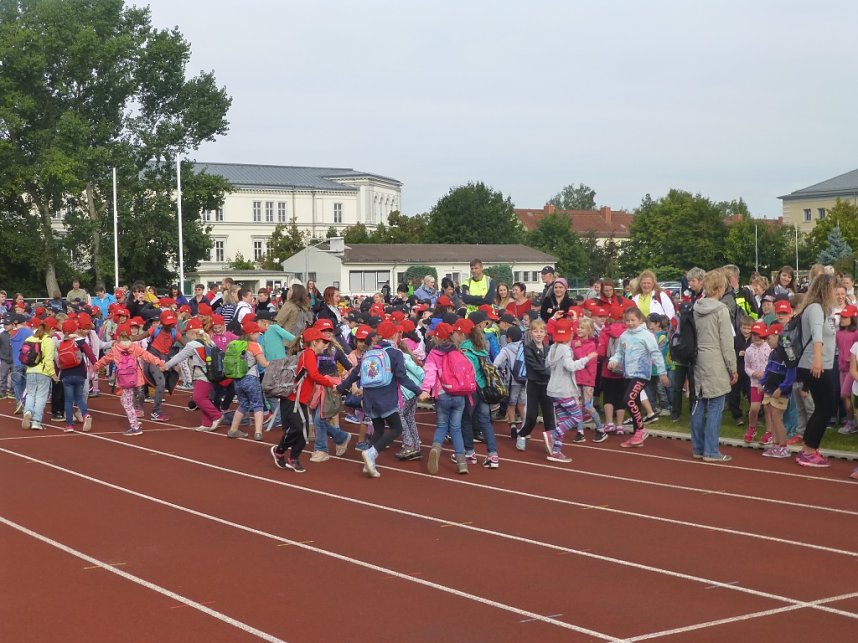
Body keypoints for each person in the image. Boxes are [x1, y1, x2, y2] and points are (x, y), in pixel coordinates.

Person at [338, 321, 422, 478]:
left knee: (379, 429)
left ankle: (369, 460)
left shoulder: (369, 353)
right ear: (394, 335)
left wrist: (340, 388)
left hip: (369, 398)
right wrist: (419, 391)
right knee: (396, 428)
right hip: (386, 398)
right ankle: (371, 454)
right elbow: (402, 378)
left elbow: (356, 373)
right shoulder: (395, 353)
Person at [271, 328, 341, 473]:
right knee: (299, 430)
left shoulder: (310, 355)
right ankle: (285, 453)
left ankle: (286, 454)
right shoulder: (308, 354)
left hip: (297, 400)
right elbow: (314, 375)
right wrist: (332, 384)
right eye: (323, 342)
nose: (326, 345)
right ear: (314, 343)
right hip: (293, 399)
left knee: (301, 430)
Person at [690, 269, 738, 462]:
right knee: (716, 405)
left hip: (698, 359)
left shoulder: (695, 307)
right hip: (715, 359)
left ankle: (698, 447)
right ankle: (711, 450)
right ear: (720, 287)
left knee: (699, 403)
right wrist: (733, 368)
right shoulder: (721, 310)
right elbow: (727, 343)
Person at [608, 307, 669, 448]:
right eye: (627, 320)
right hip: (628, 374)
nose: (630, 323)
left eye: (633, 320)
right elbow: (619, 353)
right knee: (634, 401)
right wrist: (614, 360)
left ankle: (641, 430)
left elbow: (656, 353)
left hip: (642, 374)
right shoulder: (624, 336)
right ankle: (637, 436)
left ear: (640, 320)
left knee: (628, 399)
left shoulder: (647, 335)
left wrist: (662, 372)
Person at [794, 274, 838, 468]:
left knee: (823, 407)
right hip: (816, 364)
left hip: (823, 363)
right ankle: (809, 450)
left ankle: (809, 447)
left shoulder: (823, 309)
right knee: (825, 407)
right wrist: (818, 359)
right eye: (833, 288)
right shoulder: (815, 309)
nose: (836, 293)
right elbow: (816, 334)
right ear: (826, 289)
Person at [93, 323, 165, 435]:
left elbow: (105, 360)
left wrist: (96, 366)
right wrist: (159, 362)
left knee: (126, 402)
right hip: (137, 379)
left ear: (118, 336)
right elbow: (147, 356)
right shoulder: (134, 347)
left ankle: (135, 426)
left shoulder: (115, 349)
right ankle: (135, 420)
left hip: (124, 380)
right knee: (130, 401)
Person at [544, 318, 598, 462]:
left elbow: (547, 365)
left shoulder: (553, 347)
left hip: (553, 389)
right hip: (564, 390)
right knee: (576, 416)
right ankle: (553, 434)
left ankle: (556, 451)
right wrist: (587, 358)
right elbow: (570, 366)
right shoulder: (566, 349)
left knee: (562, 419)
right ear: (570, 333)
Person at [419, 323, 470, 475]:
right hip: (459, 394)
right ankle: (462, 463)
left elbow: (430, 374)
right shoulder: (459, 351)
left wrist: (425, 390)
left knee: (442, 426)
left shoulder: (434, 354)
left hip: (442, 394)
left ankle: (435, 448)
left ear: (437, 337)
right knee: (456, 428)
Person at [161, 318, 223, 432]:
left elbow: (180, 356)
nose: (186, 336)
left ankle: (216, 415)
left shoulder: (193, 344)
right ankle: (206, 423)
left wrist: (167, 365)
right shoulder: (209, 341)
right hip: (212, 374)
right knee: (204, 398)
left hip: (202, 375)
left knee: (198, 398)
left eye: (187, 333)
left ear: (191, 333)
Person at [457, 317, 501, 469]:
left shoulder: (464, 350)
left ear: (462, 334)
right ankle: (493, 454)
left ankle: (469, 453)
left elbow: (465, 371)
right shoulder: (480, 347)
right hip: (483, 388)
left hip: (471, 389)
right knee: (485, 421)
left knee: (466, 420)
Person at [514, 318, 555, 449]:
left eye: (541, 331)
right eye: (535, 331)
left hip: (547, 386)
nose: (538, 334)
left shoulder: (548, 349)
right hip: (533, 385)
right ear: (530, 333)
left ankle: (552, 442)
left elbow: (552, 363)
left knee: (549, 416)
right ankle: (522, 434)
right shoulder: (528, 348)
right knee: (531, 416)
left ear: (545, 333)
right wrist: (551, 372)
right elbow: (536, 366)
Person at [226, 320, 270, 441]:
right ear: (251, 334)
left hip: (238, 379)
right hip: (251, 378)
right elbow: (264, 364)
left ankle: (233, 429)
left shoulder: (236, 344)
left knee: (243, 404)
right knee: (258, 404)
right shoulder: (254, 345)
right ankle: (258, 432)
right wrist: (275, 363)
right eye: (257, 333)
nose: (259, 335)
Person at [759, 324, 796, 459]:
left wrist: (782, 388)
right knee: (771, 417)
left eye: (769, 338)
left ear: (777, 336)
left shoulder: (787, 352)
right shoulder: (773, 353)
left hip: (779, 390)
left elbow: (792, 373)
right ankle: (775, 445)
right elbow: (768, 369)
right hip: (769, 389)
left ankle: (783, 446)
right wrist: (762, 383)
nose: (767, 342)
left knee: (777, 418)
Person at [57, 319, 98, 433]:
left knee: (69, 400)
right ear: (75, 329)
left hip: (66, 374)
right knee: (79, 397)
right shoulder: (80, 341)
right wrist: (96, 365)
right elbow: (90, 354)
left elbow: (58, 358)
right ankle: (85, 414)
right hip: (80, 372)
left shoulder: (61, 342)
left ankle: (69, 425)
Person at [20, 318, 56, 431]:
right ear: (51, 329)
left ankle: (28, 411)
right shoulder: (48, 340)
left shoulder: (30, 338)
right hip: (43, 372)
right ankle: (36, 421)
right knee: (41, 397)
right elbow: (49, 360)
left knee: (31, 394)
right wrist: (53, 374)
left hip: (30, 370)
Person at [573, 317, 605, 441]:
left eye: (582, 328)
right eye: (579, 327)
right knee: (578, 406)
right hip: (577, 379)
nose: (579, 330)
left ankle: (600, 429)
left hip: (587, 380)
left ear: (589, 330)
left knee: (587, 406)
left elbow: (583, 360)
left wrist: (577, 347)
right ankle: (580, 432)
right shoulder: (575, 342)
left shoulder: (591, 345)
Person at [493, 325, 526, 437]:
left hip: (512, 381)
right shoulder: (525, 347)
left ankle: (512, 426)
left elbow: (497, 362)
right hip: (525, 380)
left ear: (509, 338)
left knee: (511, 404)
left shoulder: (506, 349)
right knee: (522, 404)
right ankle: (526, 427)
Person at [742, 321, 772, 443]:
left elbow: (771, 365)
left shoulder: (768, 348)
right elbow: (746, 367)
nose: (756, 337)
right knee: (754, 408)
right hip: (754, 383)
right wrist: (753, 373)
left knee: (767, 408)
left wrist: (765, 374)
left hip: (767, 383)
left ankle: (769, 432)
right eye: (754, 334)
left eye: (759, 334)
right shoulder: (749, 350)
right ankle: (752, 428)